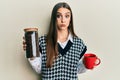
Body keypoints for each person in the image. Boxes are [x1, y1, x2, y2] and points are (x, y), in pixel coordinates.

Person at [23, 2, 87, 80]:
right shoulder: (42, 41)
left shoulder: (79, 44)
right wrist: (30, 52)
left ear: (70, 19)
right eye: (58, 16)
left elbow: (79, 69)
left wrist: (87, 64)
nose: (63, 20)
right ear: (54, 18)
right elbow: (39, 69)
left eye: (67, 16)